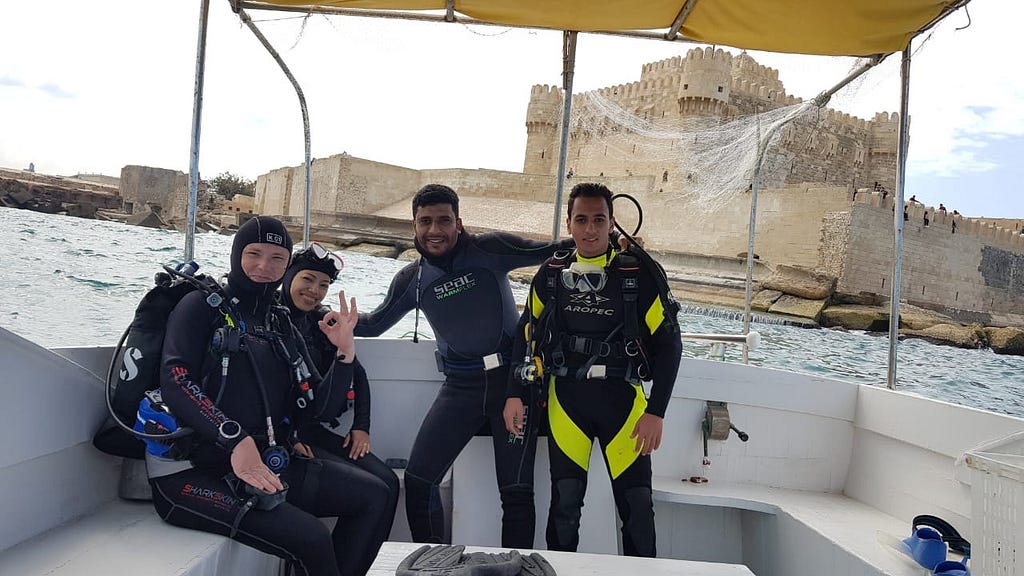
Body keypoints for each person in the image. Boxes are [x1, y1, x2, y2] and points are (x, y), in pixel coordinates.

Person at [150, 216, 390, 576]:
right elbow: (176, 379)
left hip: (263, 462)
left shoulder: (280, 323)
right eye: (254, 254)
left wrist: (345, 354)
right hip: (192, 472)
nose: (265, 266)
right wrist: (234, 439)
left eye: (277, 258)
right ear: (236, 254)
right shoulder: (200, 306)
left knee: (377, 496)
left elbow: (317, 408)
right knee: (312, 539)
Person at [355, 184, 572, 548]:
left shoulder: (490, 249)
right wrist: (319, 315)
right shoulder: (413, 280)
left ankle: (514, 570)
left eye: (444, 220)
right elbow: (374, 324)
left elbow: (553, 251)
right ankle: (435, 563)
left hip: (512, 385)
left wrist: (610, 242)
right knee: (420, 483)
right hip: (460, 387)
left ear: (459, 223)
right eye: (425, 221)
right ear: (414, 226)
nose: (434, 229)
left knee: (516, 494)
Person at [504, 182, 682, 558]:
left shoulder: (636, 276)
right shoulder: (551, 275)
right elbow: (525, 333)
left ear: (612, 223)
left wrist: (656, 412)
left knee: (637, 509)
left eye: (598, 219)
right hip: (567, 401)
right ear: (568, 223)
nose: (590, 229)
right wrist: (514, 393)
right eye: (581, 219)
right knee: (565, 507)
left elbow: (669, 345)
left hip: (625, 405)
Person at [279, 242, 401, 551]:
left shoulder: (321, 323)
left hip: (313, 430)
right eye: (307, 279)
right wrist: (286, 436)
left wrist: (361, 426)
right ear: (288, 275)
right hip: (285, 437)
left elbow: (356, 374)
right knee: (374, 493)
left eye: (323, 285)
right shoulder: (271, 321)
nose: (314, 290)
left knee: (388, 481)